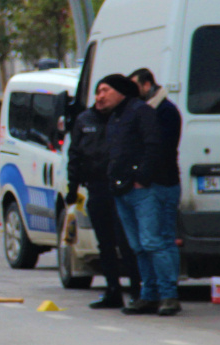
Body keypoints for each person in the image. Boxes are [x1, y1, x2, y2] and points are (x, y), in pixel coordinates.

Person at [101, 74, 177, 316]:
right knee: (138, 246)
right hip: (121, 189)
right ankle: (149, 295)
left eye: (105, 90)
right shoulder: (115, 116)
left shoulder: (140, 111)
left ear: (121, 90)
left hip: (141, 189)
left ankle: (168, 295)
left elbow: (154, 145)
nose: (100, 96)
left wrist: (142, 178)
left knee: (152, 242)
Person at [67, 99, 141, 309]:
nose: (100, 98)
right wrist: (72, 188)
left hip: (119, 187)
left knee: (125, 242)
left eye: (105, 92)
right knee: (105, 244)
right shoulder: (84, 119)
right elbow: (75, 154)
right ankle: (113, 290)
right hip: (96, 187)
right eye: (98, 92)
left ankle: (137, 290)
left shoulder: (122, 118)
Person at [129, 69, 183, 308]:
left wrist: (143, 175)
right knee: (152, 241)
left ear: (147, 84)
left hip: (162, 183)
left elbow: (161, 148)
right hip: (156, 181)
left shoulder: (164, 111)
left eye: (135, 86)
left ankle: (167, 293)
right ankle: (154, 292)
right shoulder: (147, 110)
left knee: (160, 240)